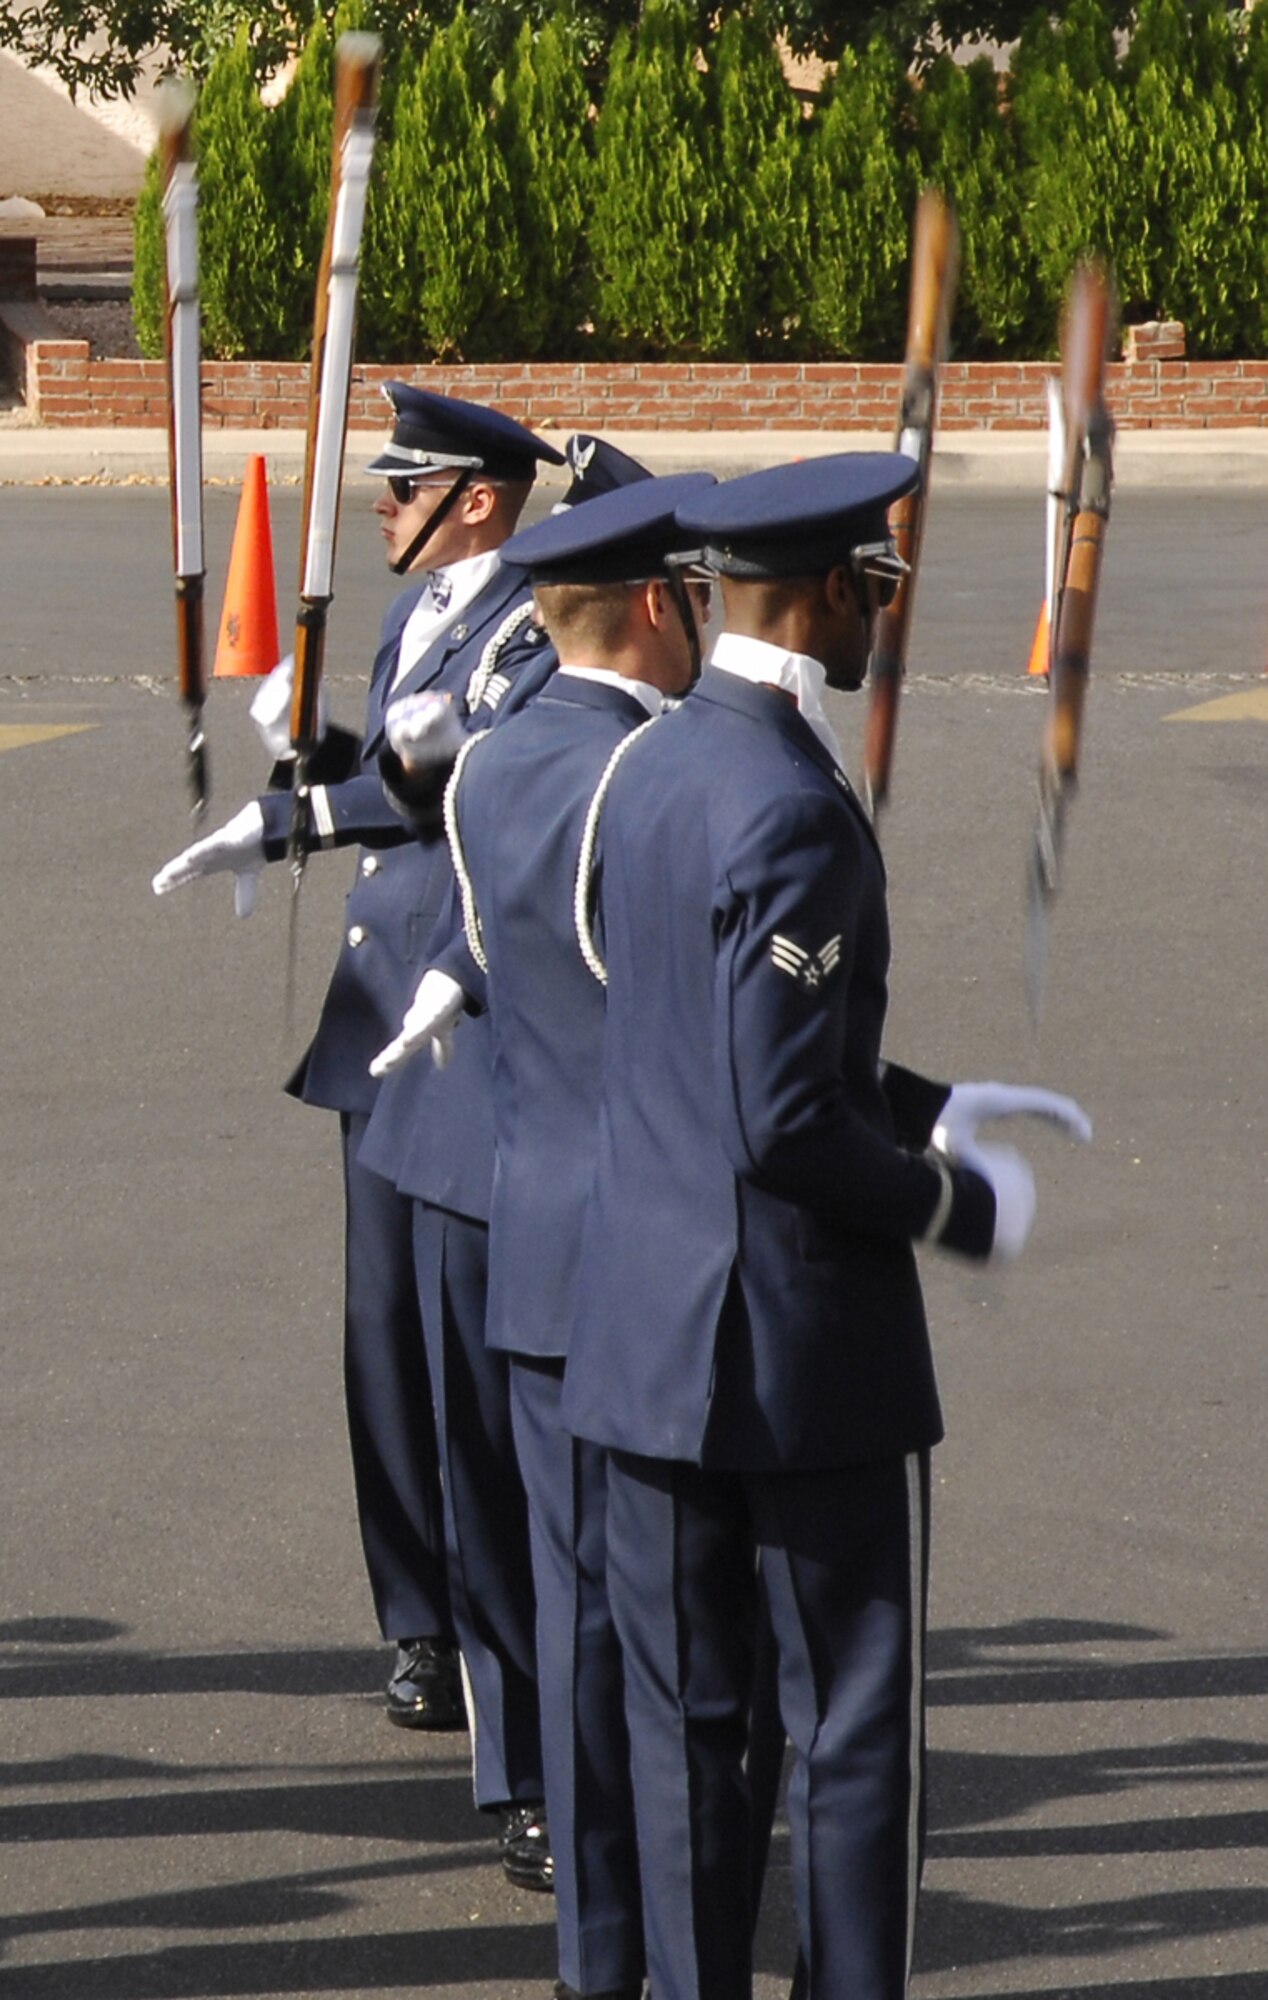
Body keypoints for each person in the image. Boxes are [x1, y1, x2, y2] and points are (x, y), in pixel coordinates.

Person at [559, 454, 1092, 2000]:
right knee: (854, 1732)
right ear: (829, 591)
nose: (886, 619)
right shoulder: (792, 802)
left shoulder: (647, 765)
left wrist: (927, 1099)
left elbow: (686, 1035)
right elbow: (778, 1116)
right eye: (882, 587)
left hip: (647, 1337)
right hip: (797, 1353)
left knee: (687, 1740)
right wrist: (949, 1199)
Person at [153, 385, 566, 1888]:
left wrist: (333, 802)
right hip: (378, 1020)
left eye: (402, 488)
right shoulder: (430, 610)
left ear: (474, 497)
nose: (380, 508)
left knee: (476, 1398)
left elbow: (456, 799)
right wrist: (311, 760)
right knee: (382, 1345)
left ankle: (527, 1759)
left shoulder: (527, 621)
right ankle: (424, 1620)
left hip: (463, 1041)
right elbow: (392, 776)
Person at [372, 474, 714, 2000]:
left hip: (528, 1236)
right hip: (660, 1273)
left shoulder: (498, 774)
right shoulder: (670, 783)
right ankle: (666, 1901)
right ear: (658, 602)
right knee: (688, 1640)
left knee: (570, 1600)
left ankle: (591, 1913)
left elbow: (484, 955)